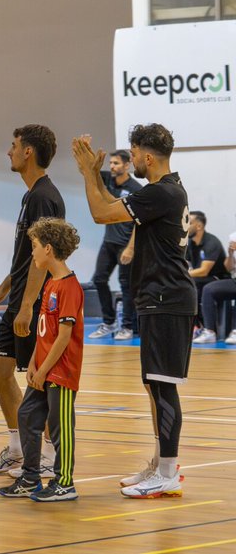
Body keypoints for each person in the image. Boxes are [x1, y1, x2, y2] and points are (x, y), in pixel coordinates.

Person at [72, 125, 194, 498]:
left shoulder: (161, 192)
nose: (133, 158)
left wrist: (88, 174)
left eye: (134, 152)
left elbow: (99, 213)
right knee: (153, 384)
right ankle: (161, 464)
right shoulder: (166, 191)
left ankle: (169, 472)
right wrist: (95, 176)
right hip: (159, 298)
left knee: (163, 387)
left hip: (167, 299)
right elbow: (113, 205)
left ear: (147, 157)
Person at [0, 125, 65, 477]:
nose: (8, 151)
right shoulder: (30, 196)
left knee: (36, 379)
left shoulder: (44, 196)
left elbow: (43, 258)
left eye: (13, 145)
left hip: (36, 301)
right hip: (20, 297)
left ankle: (46, 456)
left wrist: (28, 306)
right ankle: (17, 449)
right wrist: (4, 287)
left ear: (28, 152)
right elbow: (25, 257)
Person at [0, 218, 84, 503]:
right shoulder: (49, 284)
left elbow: (63, 336)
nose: (31, 252)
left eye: (34, 247)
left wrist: (45, 368)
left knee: (60, 427)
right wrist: (34, 363)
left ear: (48, 248)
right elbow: (44, 332)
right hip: (43, 370)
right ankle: (30, 477)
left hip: (60, 372)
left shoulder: (69, 287)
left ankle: (64, 482)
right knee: (26, 415)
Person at [88, 151, 142, 341]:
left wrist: (131, 248)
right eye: (110, 163)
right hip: (108, 242)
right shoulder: (107, 180)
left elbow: (139, 222)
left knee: (126, 286)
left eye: (116, 163)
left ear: (127, 165)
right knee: (99, 280)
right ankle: (109, 322)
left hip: (125, 244)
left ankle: (127, 327)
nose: (112, 166)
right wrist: (86, 152)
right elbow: (87, 171)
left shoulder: (136, 188)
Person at [186, 211, 228, 344]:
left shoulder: (211, 242)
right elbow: (184, 265)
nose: (185, 226)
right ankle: (195, 326)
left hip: (217, 279)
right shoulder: (190, 243)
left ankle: (207, 330)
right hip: (199, 279)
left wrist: (182, 275)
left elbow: (204, 271)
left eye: (189, 222)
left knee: (191, 283)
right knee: (183, 286)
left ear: (199, 226)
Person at [197, 235, 236, 344]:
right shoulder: (234, 236)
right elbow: (229, 268)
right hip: (234, 280)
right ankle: (209, 332)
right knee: (208, 289)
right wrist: (231, 254)